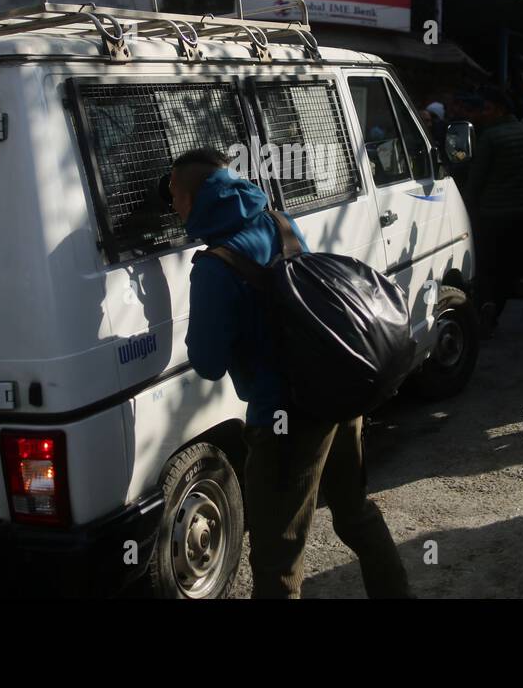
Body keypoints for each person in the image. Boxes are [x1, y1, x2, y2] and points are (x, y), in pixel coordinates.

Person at [170, 148, 410, 599]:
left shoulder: (213, 266)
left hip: (284, 419)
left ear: (194, 196)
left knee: (277, 557)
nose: (174, 208)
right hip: (335, 391)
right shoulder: (278, 221)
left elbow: (207, 363)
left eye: (175, 197)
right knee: (354, 512)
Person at [461, 86, 523, 335]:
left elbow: (476, 178)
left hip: (491, 214)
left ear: (500, 109)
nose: (483, 113)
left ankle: (486, 306)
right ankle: (496, 309)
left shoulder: (490, 137)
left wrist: (466, 206)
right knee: (509, 266)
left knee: (486, 266)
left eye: (487, 108)